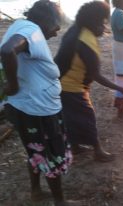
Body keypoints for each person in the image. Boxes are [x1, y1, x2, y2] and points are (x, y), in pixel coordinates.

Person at [0, 1, 79, 205]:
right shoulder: (31, 30)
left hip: (28, 107)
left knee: (36, 150)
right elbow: (8, 50)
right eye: (56, 22)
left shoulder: (21, 25)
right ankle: (59, 202)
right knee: (51, 154)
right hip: (37, 111)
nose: (58, 28)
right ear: (44, 19)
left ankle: (36, 192)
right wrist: (13, 85)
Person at [54, 1, 123, 162]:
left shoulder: (76, 30)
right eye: (101, 22)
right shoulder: (86, 40)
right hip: (71, 86)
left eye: (104, 22)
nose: (103, 27)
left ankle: (75, 146)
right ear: (91, 20)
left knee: (70, 117)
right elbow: (96, 75)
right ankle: (98, 151)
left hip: (61, 83)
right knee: (87, 117)